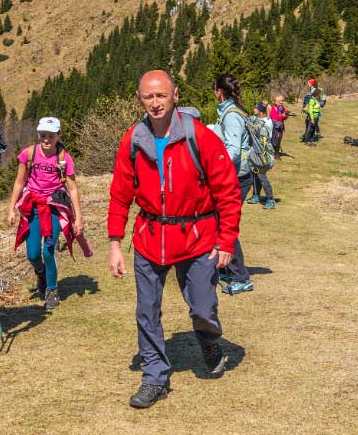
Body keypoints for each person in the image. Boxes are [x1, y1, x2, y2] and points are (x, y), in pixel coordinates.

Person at [108, 70, 243, 409]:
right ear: (139, 99)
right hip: (150, 236)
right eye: (148, 97)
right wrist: (114, 243)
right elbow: (120, 194)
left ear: (175, 96)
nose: (155, 103)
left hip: (197, 237)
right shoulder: (132, 140)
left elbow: (227, 190)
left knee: (202, 307)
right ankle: (155, 377)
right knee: (147, 310)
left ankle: (209, 339)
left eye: (161, 96)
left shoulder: (199, 136)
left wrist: (226, 241)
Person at [6, 117, 84, 310]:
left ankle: (52, 289)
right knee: (33, 254)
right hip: (32, 206)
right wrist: (11, 209)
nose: (46, 139)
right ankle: (40, 272)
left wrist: (78, 217)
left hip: (54, 207)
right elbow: (19, 181)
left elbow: (72, 188)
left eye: (51, 135)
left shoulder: (64, 157)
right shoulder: (29, 154)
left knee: (48, 251)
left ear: (58, 136)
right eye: (43, 135)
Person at [214, 74, 256, 295]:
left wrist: (214, 166)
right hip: (240, 175)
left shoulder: (231, 115)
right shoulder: (236, 111)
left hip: (236, 177)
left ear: (219, 91)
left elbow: (232, 149)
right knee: (220, 221)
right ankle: (228, 267)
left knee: (225, 224)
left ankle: (241, 277)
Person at [247, 102, 276, 210]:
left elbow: (253, 128)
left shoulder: (263, 123)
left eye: (256, 108)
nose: (254, 109)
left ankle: (270, 199)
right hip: (258, 152)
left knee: (262, 176)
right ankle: (256, 195)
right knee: (255, 173)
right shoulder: (266, 120)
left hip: (263, 154)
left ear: (260, 110)